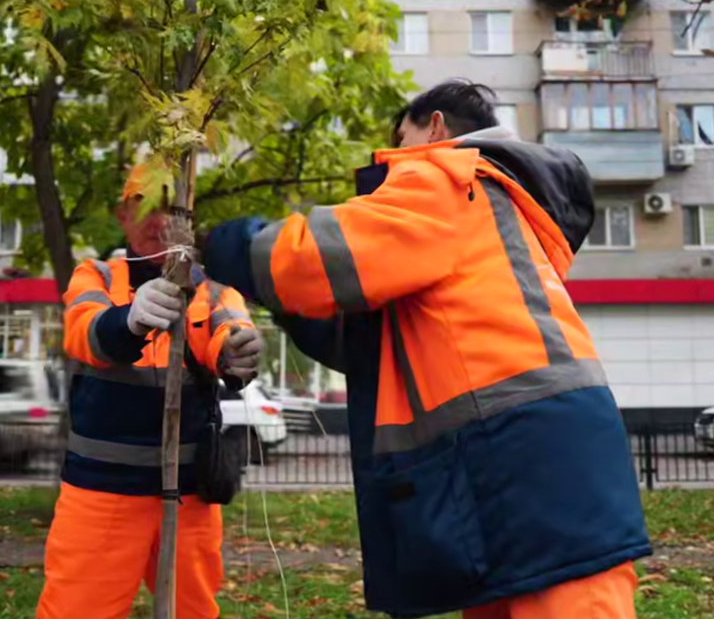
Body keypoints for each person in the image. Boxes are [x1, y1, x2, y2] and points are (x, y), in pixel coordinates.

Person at [200, 80, 651, 619]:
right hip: (529, 458)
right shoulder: (494, 206)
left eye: (400, 137)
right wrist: (293, 305)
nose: (388, 163)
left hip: (523, 459)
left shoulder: (448, 177)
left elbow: (317, 256)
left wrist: (223, 244)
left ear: (434, 128)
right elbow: (371, 341)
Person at [36, 165, 265, 619]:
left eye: (170, 208)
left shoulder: (214, 291)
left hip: (188, 496)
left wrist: (238, 353)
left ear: (187, 219)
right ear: (122, 214)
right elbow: (88, 334)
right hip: (101, 494)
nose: (158, 220)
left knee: (192, 611)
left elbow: (228, 333)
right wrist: (130, 320)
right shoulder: (96, 277)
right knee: (76, 611)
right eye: (144, 206)